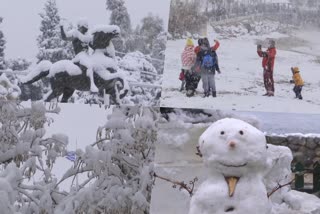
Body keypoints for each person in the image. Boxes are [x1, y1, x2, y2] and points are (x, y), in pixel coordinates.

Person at [60, 18, 98, 92]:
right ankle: (92, 85)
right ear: (80, 27)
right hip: (80, 56)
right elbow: (65, 37)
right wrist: (61, 27)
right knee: (89, 65)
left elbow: (93, 46)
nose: (84, 30)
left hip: (87, 56)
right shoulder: (75, 33)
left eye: (85, 28)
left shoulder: (87, 36)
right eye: (83, 28)